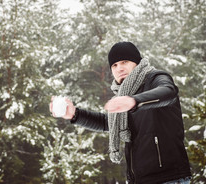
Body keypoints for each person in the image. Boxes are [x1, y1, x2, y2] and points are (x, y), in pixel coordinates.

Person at [50, 41, 192, 184]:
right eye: (115, 65)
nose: (119, 68)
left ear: (137, 63)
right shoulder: (124, 96)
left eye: (125, 61)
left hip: (170, 178)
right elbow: (109, 123)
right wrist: (75, 115)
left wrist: (134, 101)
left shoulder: (155, 79)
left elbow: (169, 92)